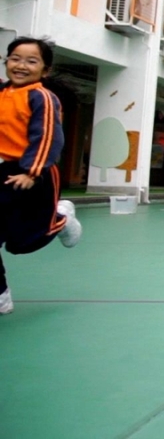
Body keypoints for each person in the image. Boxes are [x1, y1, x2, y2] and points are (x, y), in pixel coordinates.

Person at [0, 37, 82, 315]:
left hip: (34, 174)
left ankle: (61, 218)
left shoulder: (42, 98)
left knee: (23, 243)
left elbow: (47, 137)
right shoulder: (2, 92)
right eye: (15, 59)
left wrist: (32, 172)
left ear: (45, 70)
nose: (21, 65)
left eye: (31, 61)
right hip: (2, 172)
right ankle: (1, 295)